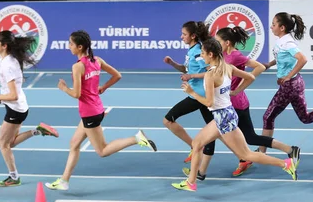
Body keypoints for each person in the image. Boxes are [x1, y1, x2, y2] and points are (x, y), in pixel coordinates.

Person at [172, 38, 298, 192]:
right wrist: (236, 90)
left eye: (203, 54)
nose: (201, 57)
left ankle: (286, 164)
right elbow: (250, 77)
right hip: (226, 114)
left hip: (223, 117)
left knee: (247, 154)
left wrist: (191, 93)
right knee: (197, 144)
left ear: (210, 54)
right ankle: (191, 182)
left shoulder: (211, 75)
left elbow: (209, 102)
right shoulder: (227, 67)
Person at [45, 30, 157, 191]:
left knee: (102, 150)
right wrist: (103, 87)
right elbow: (117, 75)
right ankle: (64, 180)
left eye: (71, 43)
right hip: (95, 109)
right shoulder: (97, 60)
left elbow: (76, 94)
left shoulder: (78, 67)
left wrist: (63, 88)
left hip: (90, 112)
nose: (68, 46)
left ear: (80, 47)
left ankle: (136, 138)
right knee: (74, 143)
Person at [257, 12, 313, 154]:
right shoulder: (283, 41)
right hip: (297, 83)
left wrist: (288, 77)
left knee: (268, 117)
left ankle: (261, 151)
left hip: (289, 86)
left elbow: (302, 59)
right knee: (305, 117)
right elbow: (282, 57)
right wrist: (269, 64)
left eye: (273, 24)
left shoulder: (287, 42)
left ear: (282, 27)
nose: (271, 27)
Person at [0, 30, 59, 187]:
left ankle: (14, 177)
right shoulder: (11, 60)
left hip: (15, 109)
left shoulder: (8, 65)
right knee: (10, 143)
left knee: (3, 144)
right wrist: (1, 98)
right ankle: (38, 131)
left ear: (4, 45)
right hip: (19, 108)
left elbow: (13, 95)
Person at [162, 21, 215, 165]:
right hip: (200, 95)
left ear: (193, 36)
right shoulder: (192, 50)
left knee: (168, 120)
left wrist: (190, 77)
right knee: (216, 129)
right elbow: (187, 70)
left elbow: (210, 72)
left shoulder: (198, 51)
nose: (181, 37)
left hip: (198, 95)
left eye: (184, 34)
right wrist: (172, 63)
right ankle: (243, 157)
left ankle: (194, 146)